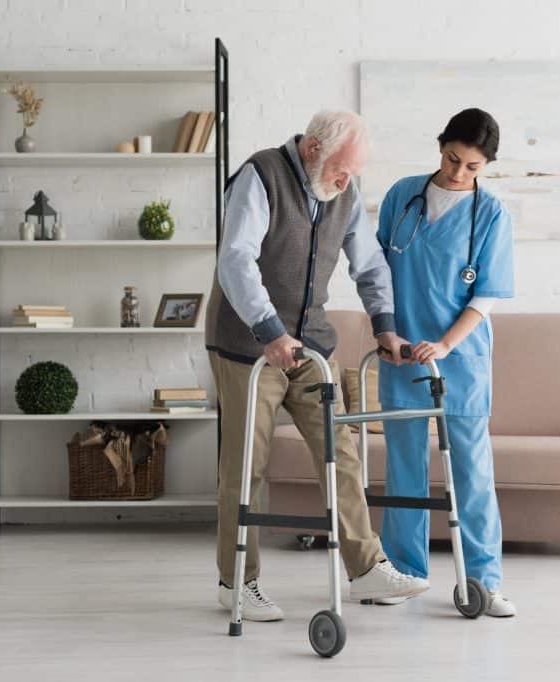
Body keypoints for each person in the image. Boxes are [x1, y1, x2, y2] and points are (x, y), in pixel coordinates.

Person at [205, 110, 427, 623]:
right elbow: (235, 259)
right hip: (248, 343)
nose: (347, 182)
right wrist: (269, 331)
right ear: (311, 151)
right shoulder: (260, 176)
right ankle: (238, 582)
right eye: (341, 171)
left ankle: (367, 568)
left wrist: (385, 326)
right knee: (245, 466)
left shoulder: (342, 193)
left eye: (352, 174)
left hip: (310, 344)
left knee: (341, 451)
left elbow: (368, 262)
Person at [375, 108, 516, 617]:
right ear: (440, 146)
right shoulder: (401, 197)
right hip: (402, 354)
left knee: (472, 475)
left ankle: (484, 581)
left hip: (461, 360)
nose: (459, 174)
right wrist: (384, 330)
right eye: (453, 159)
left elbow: (487, 296)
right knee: (405, 469)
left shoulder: (492, 213)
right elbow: (378, 274)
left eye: (473, 167)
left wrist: (447, 345)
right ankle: (403, 573)